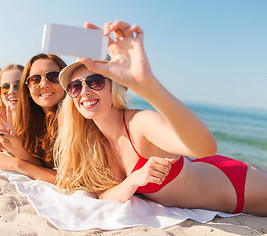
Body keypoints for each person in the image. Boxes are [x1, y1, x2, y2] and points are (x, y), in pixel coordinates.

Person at [54, 20, 267, 216]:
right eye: (75, 86)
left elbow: (204, 147)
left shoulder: (139, 124)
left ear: (114, 86)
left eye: (95, 81)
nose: (84, 91)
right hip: (200, 170)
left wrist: (147, 85)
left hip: (238, 186)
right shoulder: (92, 142)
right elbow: (103, 196)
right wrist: (132, 182)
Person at [0, 53, 66, 184]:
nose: (44, 84)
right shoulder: (37, 119)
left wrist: (16, 164)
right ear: (28, 88)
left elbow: (71, 180)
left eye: (53, 77)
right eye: (35, 80)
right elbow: (42, 166)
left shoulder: (68, 117)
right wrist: (16, 148)